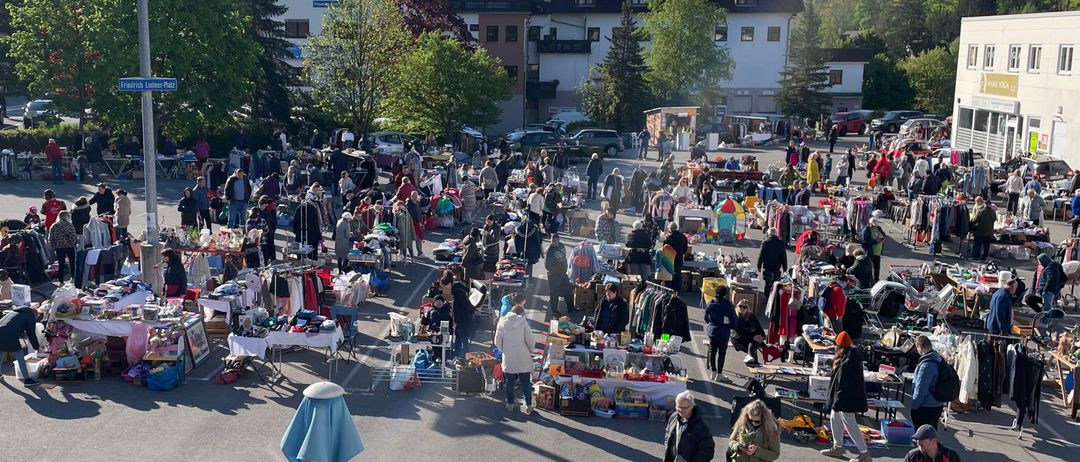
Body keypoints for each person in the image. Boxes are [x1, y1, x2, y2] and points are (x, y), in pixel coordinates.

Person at [820, 331, 872, 462]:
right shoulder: (849, 356)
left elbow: (844, 385)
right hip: (846, 397)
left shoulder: (848, 361)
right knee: (834, 417)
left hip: (847, 399)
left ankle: (864, 453)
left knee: (850, 423)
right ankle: (838, 446)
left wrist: (837, 402)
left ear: (839, 347)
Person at [494, 304, 536, 414]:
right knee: (526, 381)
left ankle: (510, 403)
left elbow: (497, 342)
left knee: (510, 381)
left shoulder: (502, 322)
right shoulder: (523, 323)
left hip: (509, 356)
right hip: (523, 355)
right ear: (521, 313)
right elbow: (530, 340)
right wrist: (531, 349)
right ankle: (529, 405)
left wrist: (504, 350)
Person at [663, 390, 715, 462]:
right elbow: (667, 434)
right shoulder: (673, 418)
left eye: (685, 408)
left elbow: (707, 451)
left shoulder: (701, 426)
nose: (681, 410)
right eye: (679, 406)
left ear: (692, 406)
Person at [0, 303, 42, 387]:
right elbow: (31, 334)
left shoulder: (14, 312)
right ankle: (27, 379)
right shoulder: (29, 316)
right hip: (9, 335)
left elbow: (13, 325)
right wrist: (37, 347)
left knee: (1, 353)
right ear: (35, 314)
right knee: (19, 355)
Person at [911, 335, 945, 430]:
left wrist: (914, 406)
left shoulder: (926, 365)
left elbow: (921, 388)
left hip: (926, 406)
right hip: (938, 404)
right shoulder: (939, 359)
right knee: (931, 434)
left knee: (922, 436)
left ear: (920, 348)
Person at [704, 286, 736, 382]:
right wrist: (729, 326)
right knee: (722, 354)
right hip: (723, 332)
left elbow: (706, 317)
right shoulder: (728, 305)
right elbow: (734, 321)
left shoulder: (711, 303)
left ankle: (713, 371)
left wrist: (712, 322)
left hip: (712, 331)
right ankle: (719, 374)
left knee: (712, 352)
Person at [544, 234, 573, 316]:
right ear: (551, 240)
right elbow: (547, 265)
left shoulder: (561, 246)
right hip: (554, 275)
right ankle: (554, 311)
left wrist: (565, 268)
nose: (555, 242)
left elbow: (564, 258)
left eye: (557, 240)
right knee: (554, 293)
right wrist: (556, 271)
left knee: (568, 289)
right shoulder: (549, 250)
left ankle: (571, 308)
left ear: (559, 240)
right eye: (553, 240)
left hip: (563, 273)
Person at [732, 300, 766, 366]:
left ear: (747, 308)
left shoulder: (751, 316)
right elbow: (741, 332)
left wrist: (761, 336)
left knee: (755, 343)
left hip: (748, 338)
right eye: (740, 306)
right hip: (738, 339)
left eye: (744, 307)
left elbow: (760, 329)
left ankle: (752, 361)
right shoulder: (735, 317)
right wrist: (754, 337)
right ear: (737, 307)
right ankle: (752, 361)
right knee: (753, 349)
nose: (741, 308)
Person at [48, 211, 78, 284]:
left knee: (61, 264)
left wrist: (54, 246)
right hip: (70, 246)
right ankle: (73, 278)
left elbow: (51, 238)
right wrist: (75, 243)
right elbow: (73, 236)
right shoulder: (70, 225)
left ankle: (61, 281)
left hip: (59, 247)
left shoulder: (54, 226)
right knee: (72, 263)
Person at [450, 277, 476, 359]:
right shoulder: (459, 291)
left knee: (463, 338)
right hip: (461, 318)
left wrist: (473, 311)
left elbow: (466, 304)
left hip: (463, 319)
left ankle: (465, 355)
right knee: (458, 336)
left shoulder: (458, 292)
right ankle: (458, 353)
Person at [757, 229, 788, 296]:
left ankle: (767, 298)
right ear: (776, 234)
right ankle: (773, 299)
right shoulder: (780, 243)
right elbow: (783, 256)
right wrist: (785, 268)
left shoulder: (765, 242)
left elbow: (761, 255)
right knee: (775, 285)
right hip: (777, 268)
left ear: (769, 234)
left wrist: (759, 266)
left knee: (768, 284)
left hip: (767, 267)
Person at [663, 222, 689, 291]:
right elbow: (685, 248)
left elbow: (664, 248)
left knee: (669, 273)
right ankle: (677, 290)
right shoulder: (682, 236)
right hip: (679, 257)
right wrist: (682, 253)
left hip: (670, 257)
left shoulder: (668, 237)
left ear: (670, 229)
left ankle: (669, 289)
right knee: (678, 273)